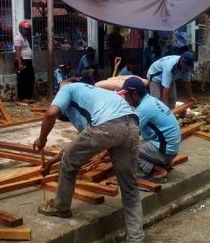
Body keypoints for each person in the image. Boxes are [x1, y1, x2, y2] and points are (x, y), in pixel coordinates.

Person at [33, 82, 144, 243]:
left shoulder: (67, 89)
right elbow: (77, 145)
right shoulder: (94, 94)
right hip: (132, 125)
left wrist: (42, 138)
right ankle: (136, 239)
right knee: (130, 187)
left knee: (69, 163)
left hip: (108, 126)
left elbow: (50, 114)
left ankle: (61, 207)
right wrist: (51, 162)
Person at [119, 77, 180, 183]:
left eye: (126, 95)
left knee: (126, 151)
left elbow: (128, 135)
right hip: (170, 147)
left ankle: (158, 171)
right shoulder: (150, 100)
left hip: (166, 150)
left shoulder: (143, 109)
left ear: (134, 94)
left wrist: (106, 151)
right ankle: (164, 163)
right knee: (137, 142)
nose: (125, 98)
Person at [14, 20, 35, 105]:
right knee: (22, 79)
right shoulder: (18, 38)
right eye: (25, 29)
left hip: (28, 61)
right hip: (23, 60)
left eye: (28, 29)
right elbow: (18, 51)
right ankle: (21, 98)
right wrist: (20, 63)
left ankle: (27, 97)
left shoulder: (25, 38)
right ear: (20, 29)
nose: (27, 31)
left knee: (30, 78)